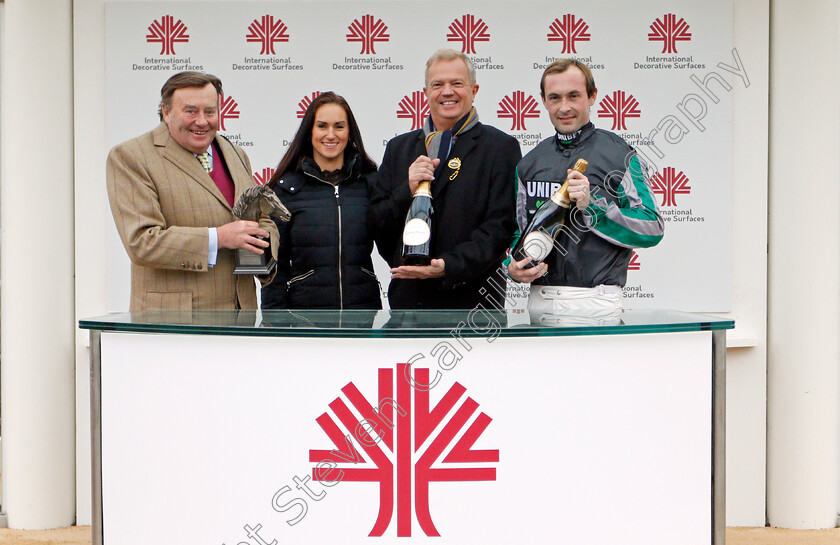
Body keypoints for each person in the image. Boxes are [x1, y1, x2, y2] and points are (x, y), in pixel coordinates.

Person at [106, 71, 279, 311]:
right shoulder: (131, 157)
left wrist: (264, 242)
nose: (202, 121)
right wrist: (219, 237)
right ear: (166, 112)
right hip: (175, 323)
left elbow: (261, 219)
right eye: (190, 111)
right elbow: (142, 242)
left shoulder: (236, 154)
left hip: (241, 318)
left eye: (209, 111)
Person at [507, 59, 664, 319]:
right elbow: (516, 234)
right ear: (544, 101)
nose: (564, 107)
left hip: (596, 300)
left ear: (592, 96)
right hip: (539, 300)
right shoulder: (529, 162)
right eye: (555, 98)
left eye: (574, 96)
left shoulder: (620, 155)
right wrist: (513, 267)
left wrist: (594, 208)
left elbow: (653, 228)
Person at [370, 49, 521, 310]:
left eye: (457, 83)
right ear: (425, 92)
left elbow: (500, 227)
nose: (447, 91)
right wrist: (406, 190)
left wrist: (448, 267)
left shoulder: (500, 148)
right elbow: (378, 224)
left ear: (474, 90)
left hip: (475, 306)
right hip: (409, 303)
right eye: (437, 84)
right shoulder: (399, 149)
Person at [261, 92, 381, 310]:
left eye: (339, 126)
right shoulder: (286, 190)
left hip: (363, 316)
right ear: (310, 132)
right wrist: (274, 322)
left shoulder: (371, 183)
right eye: (322, 126)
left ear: (350, 132)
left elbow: (393, 243)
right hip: (305, 320)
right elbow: (274, 269)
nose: (331, 134)